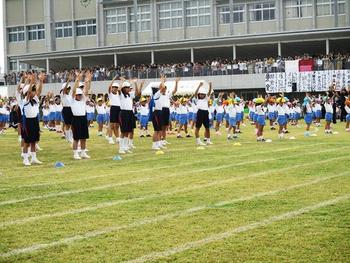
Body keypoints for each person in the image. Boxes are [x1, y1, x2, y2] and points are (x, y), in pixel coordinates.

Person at [21, 73, 45, 166]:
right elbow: (29, 92)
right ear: (28, 93)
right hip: (27, 122)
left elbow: (39, 91)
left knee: (34, 141)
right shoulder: (25, 100)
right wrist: (31, 81)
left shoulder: (35, 99)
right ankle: (26, 159)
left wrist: (41, 81)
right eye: (32, 91)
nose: (34, 92)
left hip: (35, 121)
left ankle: (34, 158)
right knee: (27, 142)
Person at [71, 71, 92, 160]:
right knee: (76, 138)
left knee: (84, 137)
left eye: (80, 95)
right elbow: (73, 90)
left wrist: (88, 81)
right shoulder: (72, 100)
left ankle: (83, 153)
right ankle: (75, 154)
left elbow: (86, 91)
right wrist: (78, 79)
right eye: (78, 95)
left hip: (83, 118)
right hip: (76, 119)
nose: (79, 96)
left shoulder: (83, 100)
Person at [117, 78, 142, 154]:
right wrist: (122, 82)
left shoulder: (129, 95)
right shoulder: (121, 94)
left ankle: (125, 147)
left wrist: (135, 83)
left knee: (127, 131)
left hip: (130, 113)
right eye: (127, 87)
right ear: (123, 88)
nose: (128, 89)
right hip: (123, 113)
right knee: (123, 131)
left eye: (128, 87)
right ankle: (121, 148)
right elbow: (118, 90)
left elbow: (138, 93)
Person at [108, 76, 121, 145]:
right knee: (112, 125)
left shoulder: (119, 94)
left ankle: (118, 138)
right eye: (114, 87)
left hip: (119, 109)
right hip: (113, 108)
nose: (115, 88)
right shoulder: (110, 94)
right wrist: (113, 79)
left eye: (116, 87)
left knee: (117, 125)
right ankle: (110, 138)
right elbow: (109, 87)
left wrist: (122, 81)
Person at [61, 77, 74, 143]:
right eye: (67, 88)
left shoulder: (70, 95)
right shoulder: (63, 94)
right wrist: (68, 80)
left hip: (71, 109)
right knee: (67, 124)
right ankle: (68, 138)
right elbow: (64, 89)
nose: (68, 89)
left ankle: (70, 137)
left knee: (72, 124)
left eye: (69, 88)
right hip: (66, 109)